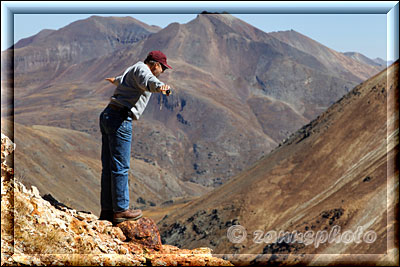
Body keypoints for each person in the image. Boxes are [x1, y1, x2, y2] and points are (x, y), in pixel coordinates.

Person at [98, 50, 172, 224]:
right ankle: (121, 210)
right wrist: (160, 86)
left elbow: (121, 80)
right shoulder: (144, 71)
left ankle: (107, 211)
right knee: (120, 167)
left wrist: (113, 80)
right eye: (163, 69)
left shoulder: (134, 68)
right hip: (120, 119)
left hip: (108, 114)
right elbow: (149, 81)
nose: (163, 72)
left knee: (108, 167)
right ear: (155, 64)